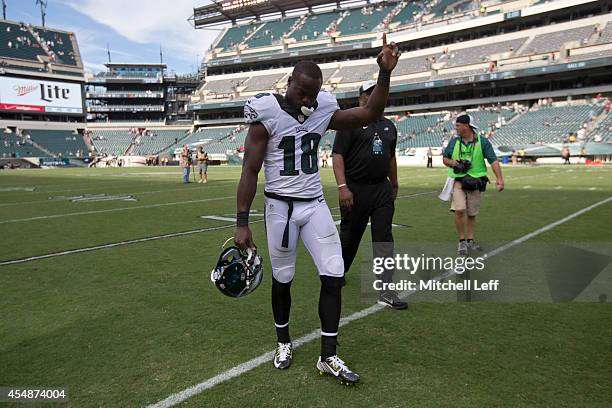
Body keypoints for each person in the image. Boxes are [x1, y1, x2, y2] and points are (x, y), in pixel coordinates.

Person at [234, 34, 400, 385]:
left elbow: (370, 112)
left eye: (313, 94)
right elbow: (250, 170)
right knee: (283, 279)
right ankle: (283, 341)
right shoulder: (266, 111)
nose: (307, 100)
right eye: (301, 92)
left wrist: (383, 74)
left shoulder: (323, 108)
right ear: (289, 83)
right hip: (280, 207)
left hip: (313, 204)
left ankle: (328, 355)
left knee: (334, 273)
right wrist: (241, 222)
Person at [332, 79, 407, 310]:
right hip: (355, 188)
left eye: (377, 92)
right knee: (350, 237)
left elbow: (391, 156)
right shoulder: (351, 122)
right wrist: (343, 187)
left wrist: (394, 182)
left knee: (384, 237)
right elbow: (337, 156)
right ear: (361, 97)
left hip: (381, 189)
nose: (375, 96)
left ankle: (386, 288)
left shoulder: (389, 126)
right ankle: (337, 272)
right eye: (369, 93)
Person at [442, 114, 504, 255]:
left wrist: (499, 179)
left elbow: (493, 160)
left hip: (476, 182)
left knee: (471, 213)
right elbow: (445, 159)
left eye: (458, 125)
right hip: (458, 180)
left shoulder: (483, 142)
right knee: (459, 210)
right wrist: (454, 163)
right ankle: (461, 241)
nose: (456, 128)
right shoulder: (454, 141)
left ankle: (470, 240)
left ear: (466, 126)